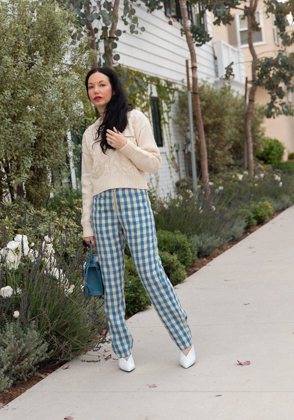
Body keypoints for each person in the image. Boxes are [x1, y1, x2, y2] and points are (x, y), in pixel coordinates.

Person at [81, 67, 194, 373]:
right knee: (113, 280)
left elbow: (154, 163)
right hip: (102, 208)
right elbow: (87, 183)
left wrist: (125, 145)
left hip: (133, 201)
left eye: (102, 84)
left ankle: (184, 340)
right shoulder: (90, 134)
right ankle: (123, 349)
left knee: (150, 271)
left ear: (113, 88)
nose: (96, 90)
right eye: (91, 86)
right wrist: (86, 226)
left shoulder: (136, 119)